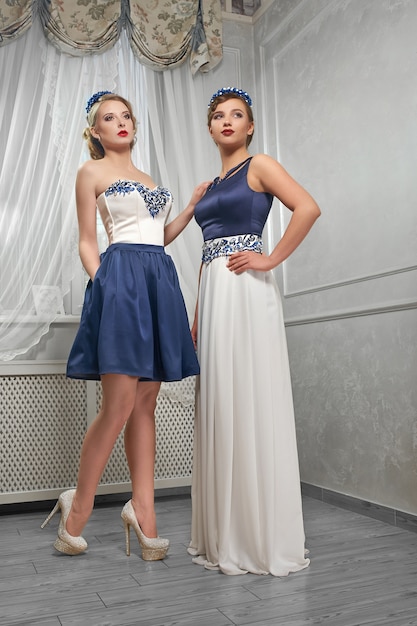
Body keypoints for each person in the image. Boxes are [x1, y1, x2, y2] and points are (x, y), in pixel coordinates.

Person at [41, 91, 209, 559]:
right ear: (95, 131)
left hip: (158, 279)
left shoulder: (146, 177)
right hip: (120, 284)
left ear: (134, 125)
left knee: (146, 403)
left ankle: (144, 511)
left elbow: (158, 237)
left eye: (125, 116)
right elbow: (86, 241)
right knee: (118, 405)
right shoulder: (90, 173)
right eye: (108, 118)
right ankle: (78, 512)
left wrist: (192, 206)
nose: (120, 123)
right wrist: (105, 284)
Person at [188, 87, 321, 576]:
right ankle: (225, 531)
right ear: (209, 128)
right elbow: (205, 252)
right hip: (216, 297)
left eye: (236, 115)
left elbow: (307, 207)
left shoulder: (259, 165)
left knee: (251, 399)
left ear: (249, 126)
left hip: (247, 292)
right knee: (222, 401)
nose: (226, 121)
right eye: (218, 116)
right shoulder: (210, 183)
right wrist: (198, 314)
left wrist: (269, 258)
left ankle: (259, 535)